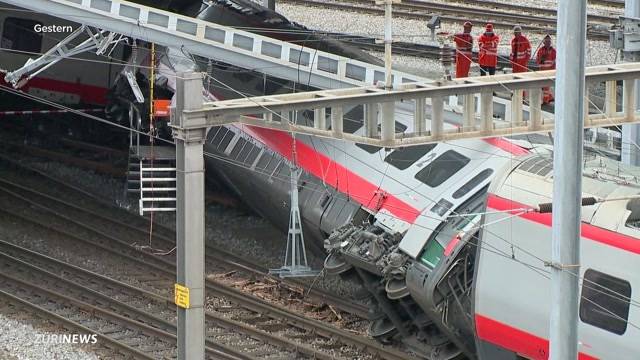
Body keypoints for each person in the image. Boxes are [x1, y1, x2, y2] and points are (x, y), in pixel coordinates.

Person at [536, 35, 557, 103]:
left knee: (546, 87)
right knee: (544, 87)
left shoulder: (553, 51)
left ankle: (546, 100)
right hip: (543, 71)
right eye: (546, 41)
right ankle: (550, 97)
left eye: (549, 41)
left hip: (550, 71)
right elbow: (537, 60)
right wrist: (541, 60)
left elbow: (556, 61)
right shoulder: (541, 50)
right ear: (544, 43)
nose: (548, 43)